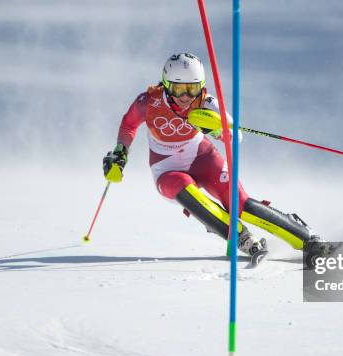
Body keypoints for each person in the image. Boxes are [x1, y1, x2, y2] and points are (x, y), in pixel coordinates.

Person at [103, 53, 329, 266]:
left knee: (240, 204)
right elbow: (128, 125)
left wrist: (214, 130)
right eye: (178, 88)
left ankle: (307, 239)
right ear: (165, 84)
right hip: (166, 167)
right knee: (183, 188)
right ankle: (242, 237)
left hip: (202, 157)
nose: (185, 97)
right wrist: (120, 152)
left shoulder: (207, 104)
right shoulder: (148, 102)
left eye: (192, 89)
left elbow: (235, 136)